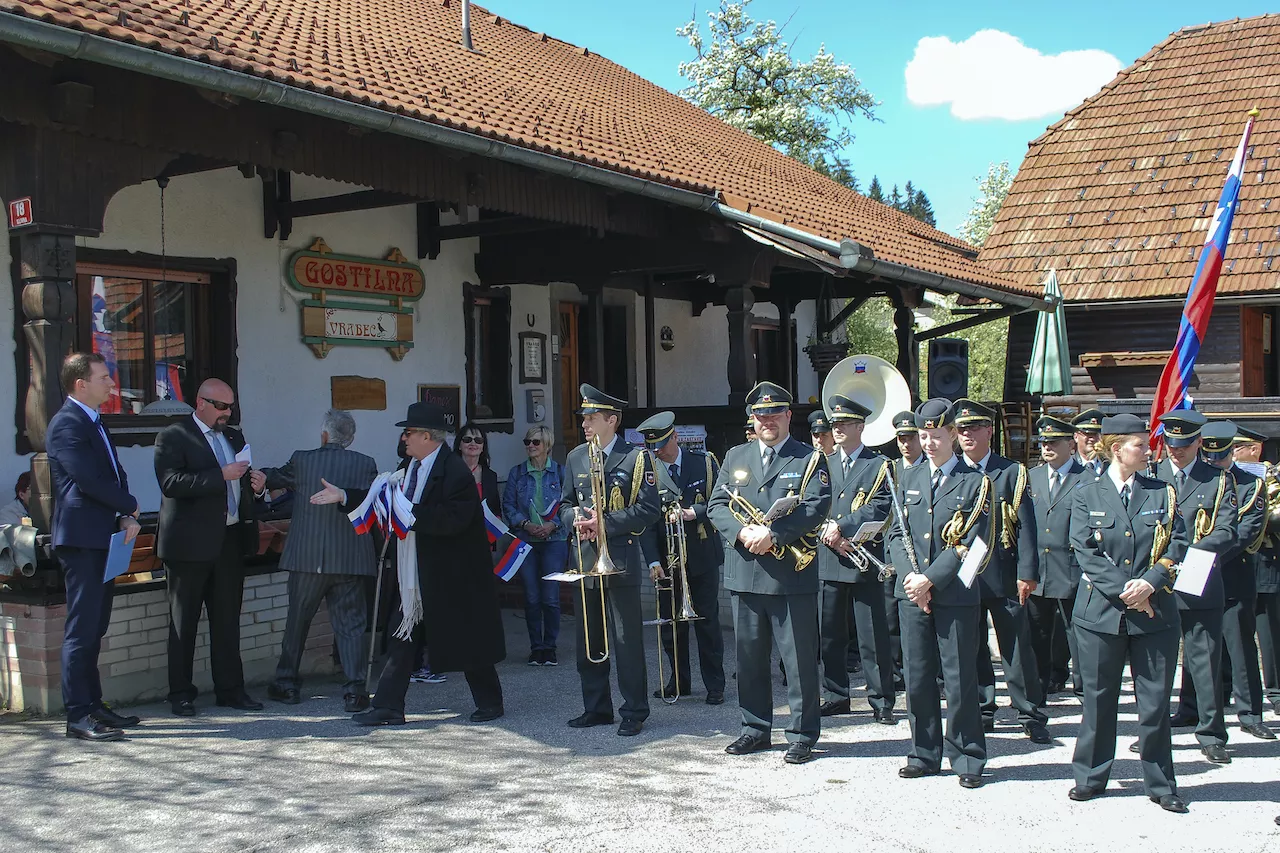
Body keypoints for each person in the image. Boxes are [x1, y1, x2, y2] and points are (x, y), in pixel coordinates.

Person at [315, 401, 506, 724]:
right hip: (414, 571)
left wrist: (410, 515)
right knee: (401, 635)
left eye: (409, 433)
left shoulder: (454, 470)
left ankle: (490, 702)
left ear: (428, 437)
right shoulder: (411, 467)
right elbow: (385, 497)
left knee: (467, 638)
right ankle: (388, 706)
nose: (404, 439)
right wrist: (345, 496)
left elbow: (454, 519)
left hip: (452, 573)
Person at [1067, 413, 1188, 813]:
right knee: (1099, 700)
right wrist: (1126, 590)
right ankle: (1091, 776)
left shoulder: (1162, 491)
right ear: (1117, 449)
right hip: (1101, 614)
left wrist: (1150, 582)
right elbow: (1084, 549)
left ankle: (1160, 782)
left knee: (1154, 703)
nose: (1149, 450)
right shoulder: (1087, 492)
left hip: (1154, 614)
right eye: (1140, 444)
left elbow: (1179, 544)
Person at [708, 381, 831, 765]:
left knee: (798, 662)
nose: (768, 420)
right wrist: (743, 532)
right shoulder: (735, 455)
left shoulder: (808, 458)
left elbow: (816, 506)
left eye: (775, 413)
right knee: (749, 659)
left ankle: (802, 734)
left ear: (788, 417)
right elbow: (716, 505)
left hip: (790, 575)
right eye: (761, 415)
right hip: (745, 571)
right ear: (753, 419)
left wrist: (773, 533)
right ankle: (755, 728)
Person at [886, 398, 991, 788]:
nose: (928, 443)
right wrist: (914, 580)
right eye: (923, 435)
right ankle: (923, 753)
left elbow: (975, 544)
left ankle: (968, 758)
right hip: (912, 592)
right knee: (917, 677)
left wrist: (930, 579)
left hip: (954, 596)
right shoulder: (907, 479)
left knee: (960, 678)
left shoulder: (976, 481)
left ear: (953, 434)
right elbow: (897, 533)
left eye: (936, 435)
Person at [154, 378, 265, 716]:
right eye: (220, 406)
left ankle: (231, 690)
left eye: (230, 406)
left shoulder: (234, 436)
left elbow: (239, 481)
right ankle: (181, 695)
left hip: (228, 539)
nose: (226, 413)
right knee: (183, 623)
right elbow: (171, 483)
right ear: (200, 403)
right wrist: (222, 474)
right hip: (188, 545)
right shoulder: (174, 436)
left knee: (227, 620)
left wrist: (256, 487)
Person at [46, 352, 142, 742]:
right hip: (82, 538)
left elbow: (113, 475)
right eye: (103, 377)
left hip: (103, 534)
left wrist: (123, 516)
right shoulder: (66, 424)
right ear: (80, 383)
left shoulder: (95, 421)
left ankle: (95, 704)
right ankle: (77, 714)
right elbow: (86, 481)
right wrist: (130, 505)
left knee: (97, 626)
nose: (111, 383)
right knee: (82, 629)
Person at [558, 384, 662, 737]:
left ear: (612, 421)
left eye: (591, 418)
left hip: (619, 558)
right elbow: (563, 503)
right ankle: (596, 707)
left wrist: (604, 523)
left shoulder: (636, 459)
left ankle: (634, 710)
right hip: (585, 559)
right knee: (589, 639)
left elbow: (649, 509)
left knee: (625, 639)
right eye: (584, 418)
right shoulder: (575, 457)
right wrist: (574, 518)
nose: (585, 424)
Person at [258, 409, 378, 712]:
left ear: (324, 434)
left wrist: (259, 476)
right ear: (349, 439)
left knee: (297, 621)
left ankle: (286, 683)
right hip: (351, 557)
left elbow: (275, 477)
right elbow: (373, 500)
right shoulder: (366, 464)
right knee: (350, 625)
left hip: (307, 558)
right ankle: (354, 690)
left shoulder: (303, 459)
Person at [953, 399, 1049, 744]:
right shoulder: (951, 472)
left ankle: (1030, 711)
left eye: (974, 428)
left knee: (1016, 647)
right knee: (973, 645)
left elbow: (1026, 527)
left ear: (989, 431)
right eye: (962, 429)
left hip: (1003, 571)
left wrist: (1028, 572)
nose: (968, 435)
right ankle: (983, 708)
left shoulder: (1010, 472)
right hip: (962, 574)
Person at [1155, 409, 1237, 764]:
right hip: (1159, 583)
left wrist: (1184, 552)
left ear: (1198, 443)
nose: (1177, 452)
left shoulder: (1217, 480)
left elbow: (1227, 530)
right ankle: (1154, 730)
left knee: (1204, 659)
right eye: (1172, 445)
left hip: (1199, 576)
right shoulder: (1151, 475)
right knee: (1156, 663)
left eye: (1184, 445)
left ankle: (1211, 732)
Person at [816, 394, 896, 724]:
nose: (836, 429)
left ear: (860, 427)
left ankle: (881, 700)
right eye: (834, 424)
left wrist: (842, 527)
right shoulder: (822, 464)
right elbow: (812, 504)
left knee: (872, 634)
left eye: (843, 424)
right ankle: (836, 695)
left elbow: (880, 505)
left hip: (863, 556)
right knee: (830, 633)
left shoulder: (878, 465)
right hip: (829, 557)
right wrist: (827, 529)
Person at [637, 411, 726, 704]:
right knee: (670, 626)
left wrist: (694, 513)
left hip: (701, 555)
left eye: (662, 443)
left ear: (675, 437)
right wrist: (652, 561)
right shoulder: (647, 471)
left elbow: (720, 502)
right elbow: (647, 522)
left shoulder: (705, 463)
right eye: (653, 446)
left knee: (707, 622)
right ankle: (679, 682)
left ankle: (715, 684)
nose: (658, 450)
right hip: (667, 559)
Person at [1194, 422, 1273, 740]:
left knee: (1240, 645)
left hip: (1231, 573)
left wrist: (1201, 558)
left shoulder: (1251, 484)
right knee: (1197, 646)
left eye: (1221, 455)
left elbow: (1245, 533)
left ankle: (1250, 713)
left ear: (1231, 451)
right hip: (1196, 575)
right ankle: (1191, 708)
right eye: (1208, 456)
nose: (1214, 462)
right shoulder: (1197, 480)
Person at [1025, 416, 1087, 700]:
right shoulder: (1031, 477)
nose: (1047, 447)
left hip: (1073, 569)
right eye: (1043, 442)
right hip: (1039, 569)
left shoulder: (1086, 478)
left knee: (1079, 634)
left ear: (1070, 444)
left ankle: (1085, 687)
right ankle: (1040, 685)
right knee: (1037, 632)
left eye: (1053, 442)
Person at [503, 424, 568, 666]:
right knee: (531, 597)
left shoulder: (561, 472)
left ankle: (550, 646)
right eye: (528, 442)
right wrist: (525, 524)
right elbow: (508, 505)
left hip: (555, 540)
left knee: (550, 597)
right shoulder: (517, 473)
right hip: (526, 541)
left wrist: (554, 525)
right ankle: (536, 647)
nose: (530, 446)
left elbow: (569, 504)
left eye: (536, 442)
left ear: (547, 445)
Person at [1234, 425, 1280, 712]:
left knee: (1269, 630)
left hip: (1265, 560)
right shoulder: (1228, 477)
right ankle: (1227, 687)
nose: (1233, 453)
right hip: (1235, 562)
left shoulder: (1273, 477)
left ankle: (1275, 691)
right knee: (1233, 629)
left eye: (1239, 448)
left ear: (1256, 449)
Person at [456, 421, 501, 517]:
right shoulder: (448, 473)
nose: (473, 443)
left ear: (483, 447)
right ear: (459, 445)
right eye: (467, 439)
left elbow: (496, 510)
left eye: (478, 440)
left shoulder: (491, 476)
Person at [1073, 408, 1106, 477]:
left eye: (1096, 434)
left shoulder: (1109, 466)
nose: (1092, 439)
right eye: (1087, 434)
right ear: (1076, 437)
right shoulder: (1069, 465)